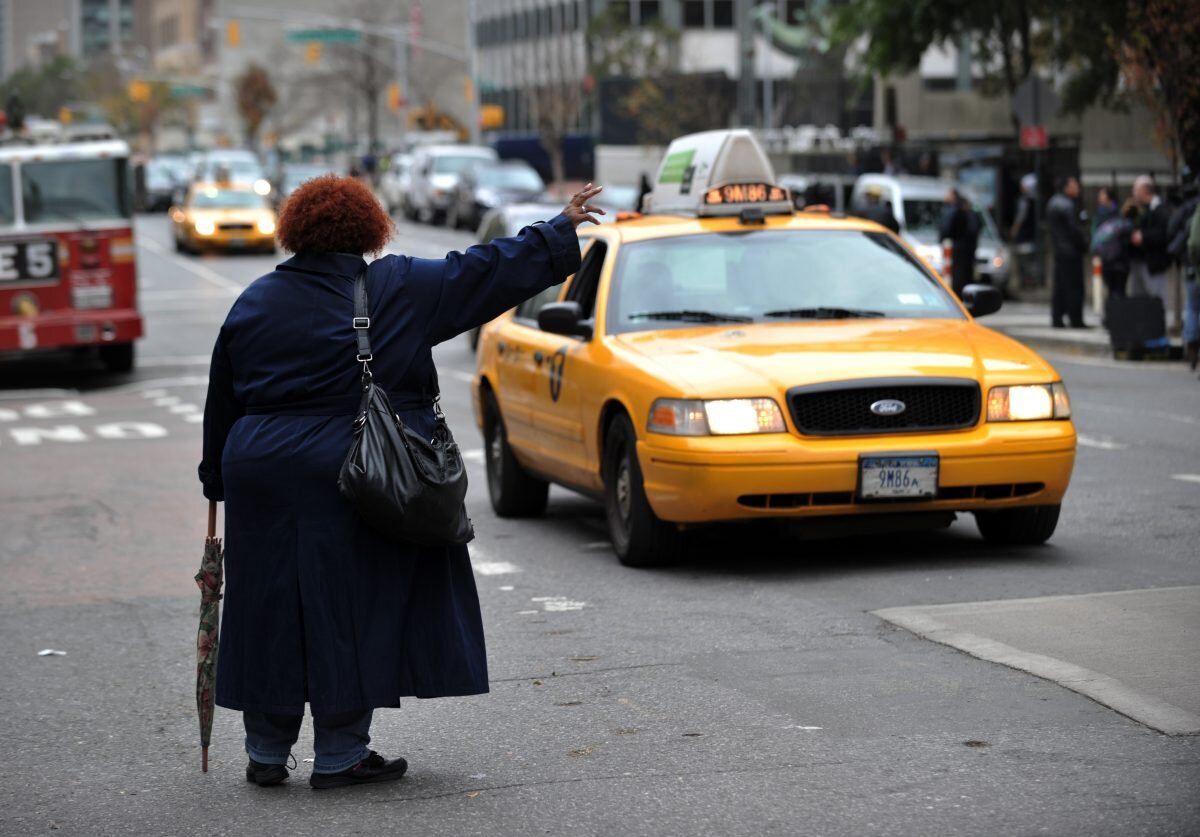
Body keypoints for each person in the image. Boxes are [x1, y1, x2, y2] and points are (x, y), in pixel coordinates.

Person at [198, 175, 604, 790]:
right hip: (350, 463)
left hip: (256, 467)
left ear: (293, 232)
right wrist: (558, 228)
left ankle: (265, 750)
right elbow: (482, 271)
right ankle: (339, 754)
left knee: (268, 606)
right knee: (346, 604)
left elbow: (221, 399)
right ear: (369, 229)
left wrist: (214, 482)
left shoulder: (254, 298)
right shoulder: (395, 287)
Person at [1046, 175, 1090, 328]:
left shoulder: (1053, 203)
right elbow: (1075, 230)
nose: (1077, 188)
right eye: (1074, 185)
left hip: (1060, 251)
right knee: (1074, 287)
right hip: (1071, 252)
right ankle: (1075, 319)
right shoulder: (1068, 205)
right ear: (1067, 187)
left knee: (1060, 286)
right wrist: (1085, 244)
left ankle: (1057, 317)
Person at [1127, 175, 1172, 314]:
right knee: (1140, 300)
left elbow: (1164, 233)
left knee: (1156, 300)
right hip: (1139, 260)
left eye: (1136, 189)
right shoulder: (1138, 209)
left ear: (1145, 190)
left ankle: (1157, 332)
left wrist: (1144, 236)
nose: (1134, 193)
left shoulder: (1160, 209)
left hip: (1154, 263)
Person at [938, 188, 979, 297]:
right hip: (967, 249)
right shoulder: (969, 214)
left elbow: (947, 229)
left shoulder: (952, 211)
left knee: (958, 275)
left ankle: (958, 295)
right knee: (964, 274)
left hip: (959, 247)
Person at [1009, 173, 1039, 288]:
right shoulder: (1034, 199)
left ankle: (1026, 281)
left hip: (1025, 235)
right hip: (1031, 235)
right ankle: (1029, 280)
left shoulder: (1025, 200)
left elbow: (1020, 217)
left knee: (1025, 260)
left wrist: (1015, 228)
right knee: (1029, 260)